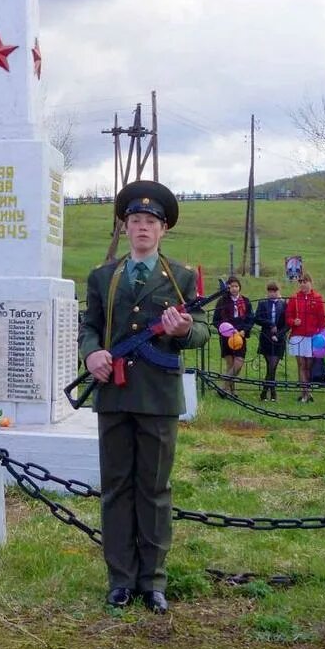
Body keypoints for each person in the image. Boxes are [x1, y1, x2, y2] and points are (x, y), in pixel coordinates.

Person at [79, 180, 208, 613]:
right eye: (135, 221)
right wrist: (92, 352)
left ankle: (153, 581)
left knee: (153, 488)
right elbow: (90, 325)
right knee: (116, 488)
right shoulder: (103, 276)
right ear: (125, 227)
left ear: (163, 229)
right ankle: (120, 579)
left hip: (157, 397)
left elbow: (202, 330)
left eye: (150, 222)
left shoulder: (182, 278)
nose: (142, 228)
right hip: (113, 395)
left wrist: (183, 329)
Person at [285, 274, 325, 402]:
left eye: (305, 282)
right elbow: (288, 317)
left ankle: (307, 390)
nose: (303, 284)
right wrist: (293, 322)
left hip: (312, 336)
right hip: (297, 336)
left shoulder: (317, 298)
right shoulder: (294, 298)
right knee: (301, 364)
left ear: (311, 282)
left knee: (309, 365)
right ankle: (304, 393)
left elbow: (322, 318)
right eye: (301, 282)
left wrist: (321, 333)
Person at [211, 276, 253, 393]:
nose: (234, 289)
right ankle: (231, 392)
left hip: (240, 335)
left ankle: (223, 387)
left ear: (239, 287)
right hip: (226, 337)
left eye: (236, 286)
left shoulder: (246, 301)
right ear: (228, 288)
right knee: (230, 364)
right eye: (231, 286)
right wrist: (225, 330)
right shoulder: (222, 301)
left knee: (238, 363)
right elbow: (216, 320)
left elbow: (250, 319)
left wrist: (244, 330)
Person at [252, 282, 287, 400]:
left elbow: (287, 324)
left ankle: (266, 391)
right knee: (270, 365)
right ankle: (271, 392)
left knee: (273, 365)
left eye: (274, 291)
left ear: (278, 291)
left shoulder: (283, 304)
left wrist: (278, 334)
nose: (272, 293)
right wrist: (270, 324)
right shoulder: (262, 303)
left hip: (279, 339)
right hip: (266, 337)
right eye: (270, 291)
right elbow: (257, 318)